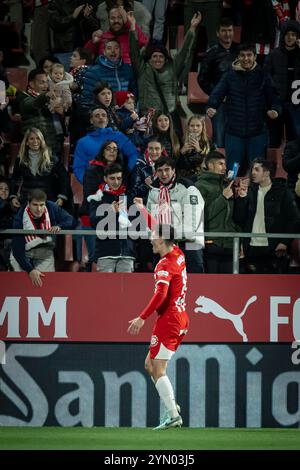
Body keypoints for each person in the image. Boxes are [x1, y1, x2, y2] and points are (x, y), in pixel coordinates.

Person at [128, 223, 187, 430]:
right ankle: (172, 406)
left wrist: (142, 317)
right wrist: (143, 209)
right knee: (149, 365)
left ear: (162, 239)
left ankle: (173, 415)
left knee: (158, 369)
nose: (150, 238)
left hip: (169, 320)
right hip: (179, 318)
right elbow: (162, 228)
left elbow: (161, 294)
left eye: (153, 235)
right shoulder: (178, 253)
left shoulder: (165, 265)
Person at [207, 43, 281, 174]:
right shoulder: (229, 76)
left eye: (249, 55)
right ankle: (231, 194)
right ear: (238, 57)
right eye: (242, 55)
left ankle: (255, 194)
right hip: (234, 134)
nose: (246, 59)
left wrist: (275, 110)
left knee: (257, 173)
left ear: (255, 56)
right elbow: (216, 94)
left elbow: (275, 99)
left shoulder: (263, 76)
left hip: (257, 134)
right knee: (232, 172)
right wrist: (211, 106)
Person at [128, 10, 202, 135]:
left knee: (174, 150)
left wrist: (192, 28)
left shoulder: (172, 68)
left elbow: (184, 52)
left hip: (170, 117)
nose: (158, 59)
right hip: (148, 118)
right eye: (154, 56)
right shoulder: (142, 69)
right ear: (149, 59)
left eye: (161, 56)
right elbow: (134, 52)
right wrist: (132, 28)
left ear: (166, 58)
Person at [235, 158, 300, 273]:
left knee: (273, 287)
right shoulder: (250, 192)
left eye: (257, 170)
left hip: (274, 248)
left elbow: (294, 219)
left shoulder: (283, 192)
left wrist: (284, 242)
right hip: (251, 247)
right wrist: (242, 198)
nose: (253, 173)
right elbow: (239, 218)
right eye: (252, 170)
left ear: (267, 173)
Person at [146, 156, 205, 273]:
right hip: (164, 246)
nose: (164, 174)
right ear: (156, 172)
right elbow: (150, 221)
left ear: (173, 170)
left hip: (190, 245)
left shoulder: (188, 188)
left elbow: (192, 225)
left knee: (194, 284)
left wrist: (167, 236)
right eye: (160, 170)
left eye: (167, 169)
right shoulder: (154, 191)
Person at [10, 188, 76, 286]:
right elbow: (17, 249)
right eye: (35, 205)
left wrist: (59, 226)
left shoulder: (51, 207)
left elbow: (71, 220)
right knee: (19, 283)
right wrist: (30, 270)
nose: (39, 209)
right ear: (28, 203)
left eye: (41, 205)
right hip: (24, 251)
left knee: (47, 284)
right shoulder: (20, 217)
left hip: (44, 250)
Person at [195, 150, 240, 273]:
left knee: (230, 287)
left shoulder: (228, 185)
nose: (225, 168)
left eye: (225, 164)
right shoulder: (199, 186)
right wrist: (223, 198)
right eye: (220, 164)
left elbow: (236, 217)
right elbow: (202, 216)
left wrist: (242, 198)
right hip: (212, 243)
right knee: (212, 287)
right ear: (210, 165)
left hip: (230, 243)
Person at [197, 17, 239, 147]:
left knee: (238, 139)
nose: (227, 34)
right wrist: (218, 94)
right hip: (219, 104)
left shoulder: (241, 50)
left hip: (239, 103)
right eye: (224, 30)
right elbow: (202, 78)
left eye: (230, 30)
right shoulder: (211, 53)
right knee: (219, 139)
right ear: (217, 33)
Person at [10, 127, 71, 212]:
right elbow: (15, 178)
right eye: (31, 139)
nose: (35, 141)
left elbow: (64, 177)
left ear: (42, 140)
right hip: (26, 200)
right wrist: (13, 196)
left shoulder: (51, 158)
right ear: (27, 142)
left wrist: (62, 197)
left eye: (38, 138)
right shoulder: (20, 160)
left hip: (48, 200)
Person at [73, 105, 139, 183]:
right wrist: (88, 182)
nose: (101, 117)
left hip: (116, 182)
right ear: (91, 120)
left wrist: (126, 172)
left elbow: (133, 153)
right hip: (94, 184)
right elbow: (78, 167)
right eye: (97, 116)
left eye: (104, 115)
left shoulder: (118, 136)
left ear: (107, 120)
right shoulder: (82, 142)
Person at [89, 163, 135, 272]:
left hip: (126, 252)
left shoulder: (128, 197)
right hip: (105, 252)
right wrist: (109, 211)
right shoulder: (97, 197)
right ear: (105, 178)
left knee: (126, 288)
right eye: (112, 178)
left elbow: (135, 224)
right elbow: (93, 221)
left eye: (119, 178)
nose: (116, 182)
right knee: (105, 288)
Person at [85, 6, 149, 64]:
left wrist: (129, 23)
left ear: (124, 19)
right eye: (112, 18)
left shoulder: (131, 34)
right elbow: (85, 56)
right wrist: (93, 44)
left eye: (119, 18)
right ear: (108, 20)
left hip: (127, 72)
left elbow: (143, 42)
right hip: (104, 73)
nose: (116, 21)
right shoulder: (102, 36)